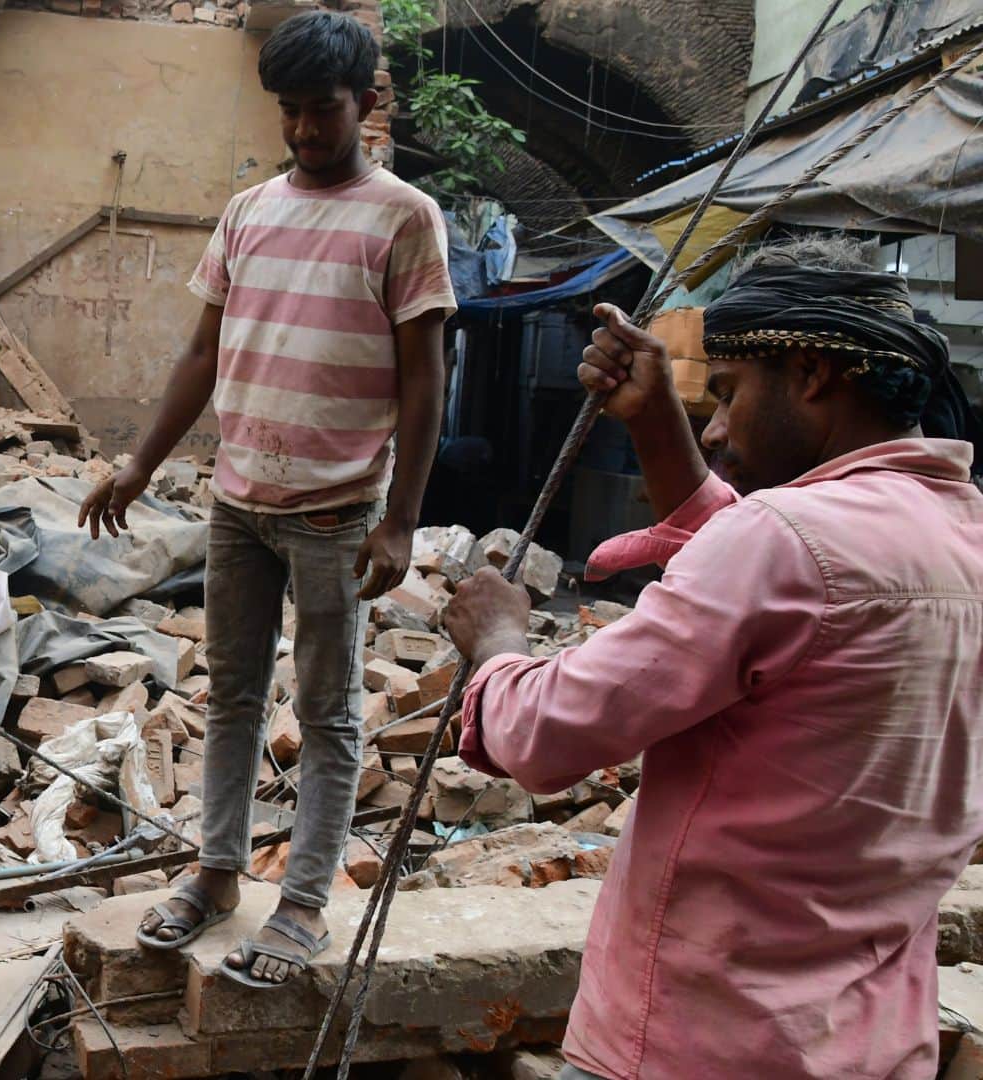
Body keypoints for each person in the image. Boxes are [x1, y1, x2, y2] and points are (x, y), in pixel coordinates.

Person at [442, 235, 983, 1079]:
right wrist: (658, 427)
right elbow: (776, 588)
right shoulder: (959, 533)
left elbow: (546, 733)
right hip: (868, 1044)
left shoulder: (786, 539)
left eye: (728, 393)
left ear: (811, 374)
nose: (719, 427)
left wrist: (498, 642)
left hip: (694, 1040)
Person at [77, 10, 455, 987]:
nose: (303, 129)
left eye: (321, 109)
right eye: (288, 111)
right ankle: (215, 874)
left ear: (366, 102)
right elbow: (202, 352)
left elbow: (425, 380)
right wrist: (139, 463)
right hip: (238, 503)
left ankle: (304, 903)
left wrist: (402, 520)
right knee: (234, 696)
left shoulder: (405, 216)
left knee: (327, 713)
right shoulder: (247, 211)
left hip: (338, 510)